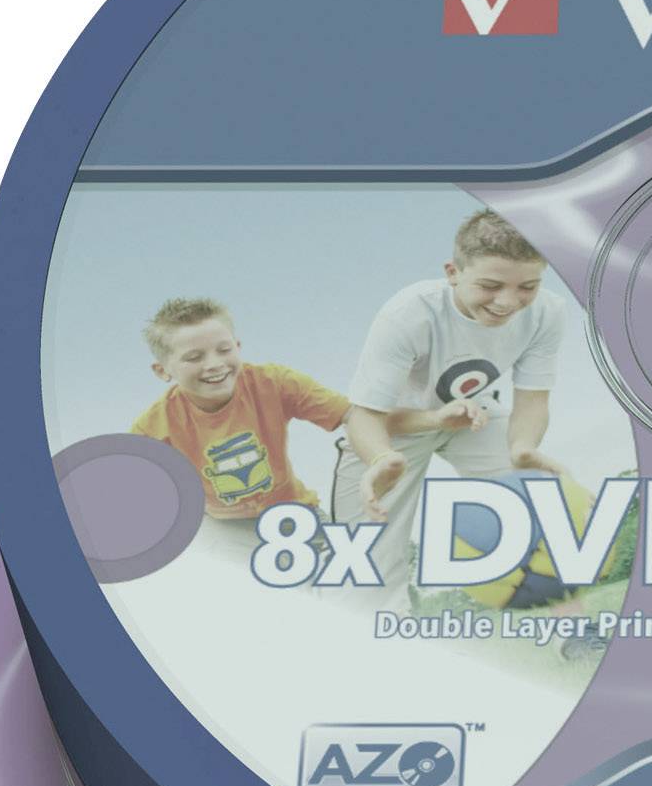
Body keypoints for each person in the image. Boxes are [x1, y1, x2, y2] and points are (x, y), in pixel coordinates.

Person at [332, 209, 569, 600]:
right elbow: (364, 416)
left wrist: (522, 447)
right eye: (491, 285)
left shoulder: (547, 312)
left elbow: (533, 399)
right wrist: (380, 458)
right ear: (453, 272)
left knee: (537, 507)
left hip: (473, 416)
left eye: (527, 286)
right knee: (367, 560)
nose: (508, 302)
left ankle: (570, 627)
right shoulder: (409, 314)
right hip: (391, 430)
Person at [132, 299, 349, 549]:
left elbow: (352, 414)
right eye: (194, 357)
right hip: (221, 529)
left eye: (224, 350)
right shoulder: (152, 429)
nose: (214, 364)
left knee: (345, 564)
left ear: (237, 347)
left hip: (293, 514)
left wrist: (380, 456)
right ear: (162, 370)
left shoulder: (273, 383)